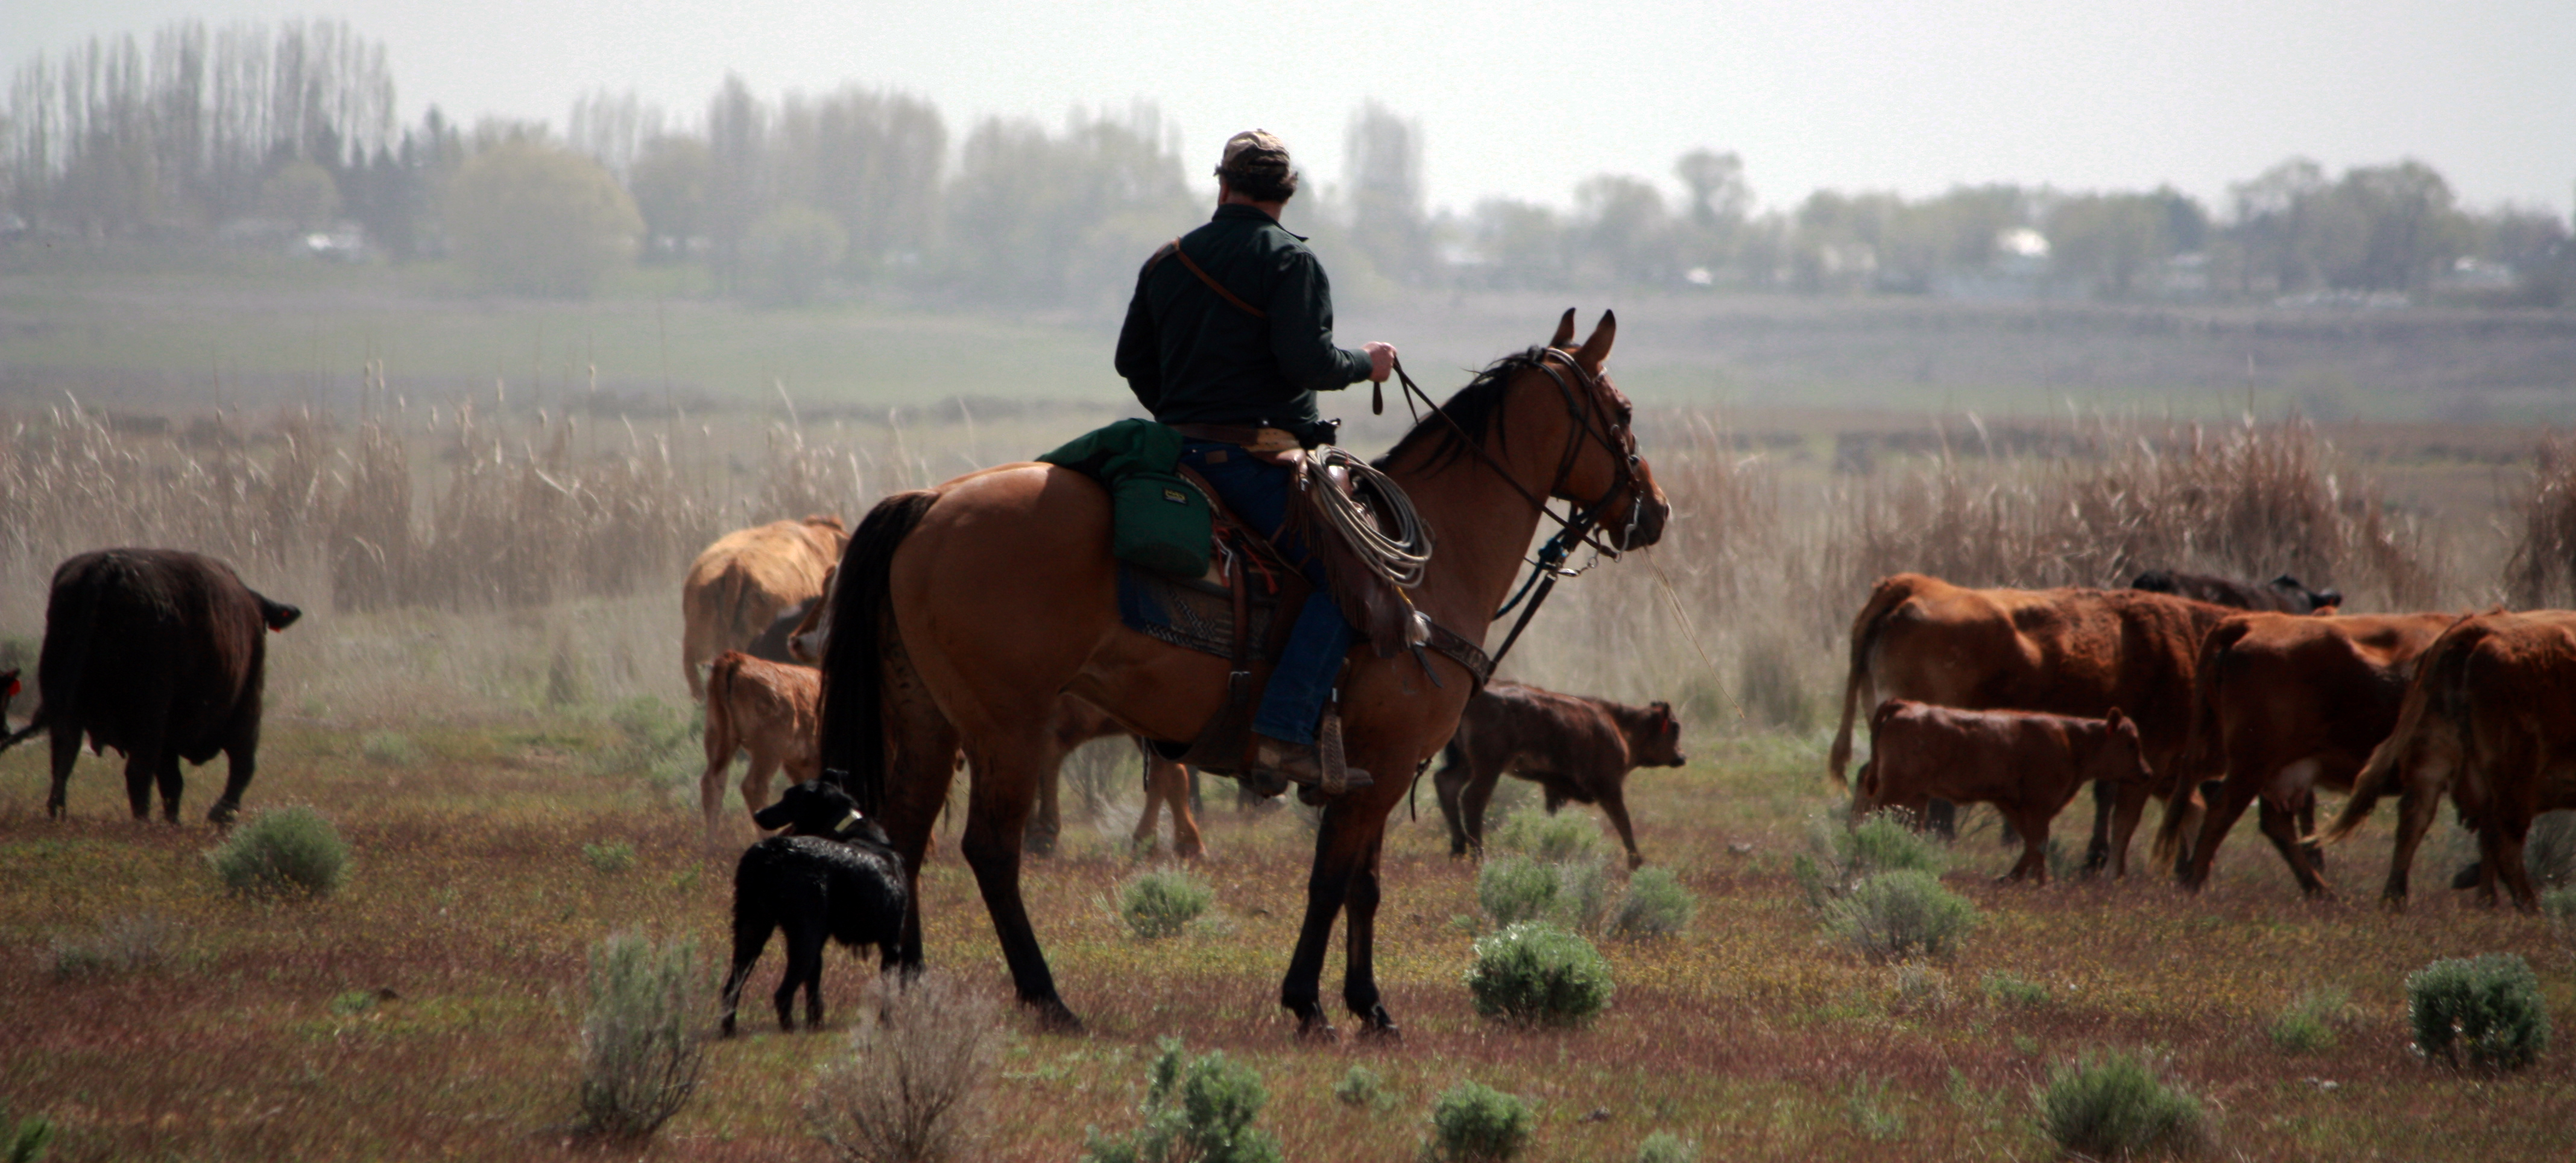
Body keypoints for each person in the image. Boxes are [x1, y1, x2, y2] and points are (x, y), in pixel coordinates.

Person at [1113, 128, 1397, 793]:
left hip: (1175, 454)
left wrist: (1180, 413)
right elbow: (1309, 363)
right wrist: (1369, 363)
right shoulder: (1290, 263)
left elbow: (1132, 361)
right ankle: (1283, 734)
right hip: (1249, 462)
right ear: (1285, 194)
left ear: (1223, 184)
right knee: (1352, 580)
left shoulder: (1168, 260)